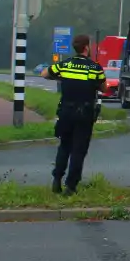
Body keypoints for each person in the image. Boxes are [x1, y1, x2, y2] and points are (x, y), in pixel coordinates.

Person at [41, 34, 106, 195]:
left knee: (64, 146)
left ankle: (57, 179)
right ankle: (71, 186)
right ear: (86, 47)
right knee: (79, 150)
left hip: (66, 112)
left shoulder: (65, 65)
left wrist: (61, 78)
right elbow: (104, 88)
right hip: (84, 113)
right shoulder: (94, 68)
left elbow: (44, 74)